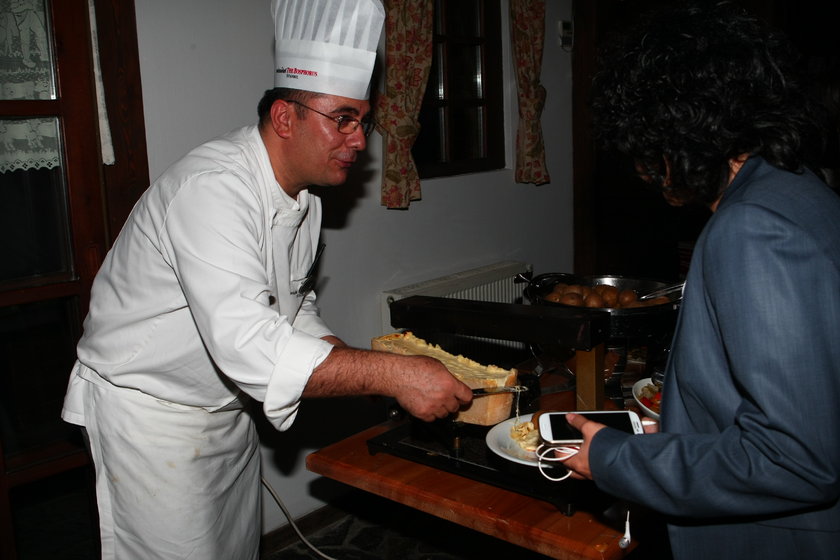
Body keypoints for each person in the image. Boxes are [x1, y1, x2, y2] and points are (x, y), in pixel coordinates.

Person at [60, 1, 472, 558]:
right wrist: (394, 375)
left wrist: (351, 359)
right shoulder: (212, 189)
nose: (359, 140)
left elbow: (290, 303)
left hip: (226, 410)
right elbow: (250, 343)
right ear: (284, 117)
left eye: (363, 122)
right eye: (342, 119)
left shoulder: (306, 197)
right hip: (149, 418)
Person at [560, 2, 840, 559]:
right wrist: (682, 430)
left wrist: (617, 459)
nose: (641, 170)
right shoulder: (803, 189)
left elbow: (797, 459)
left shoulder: (751, 228)